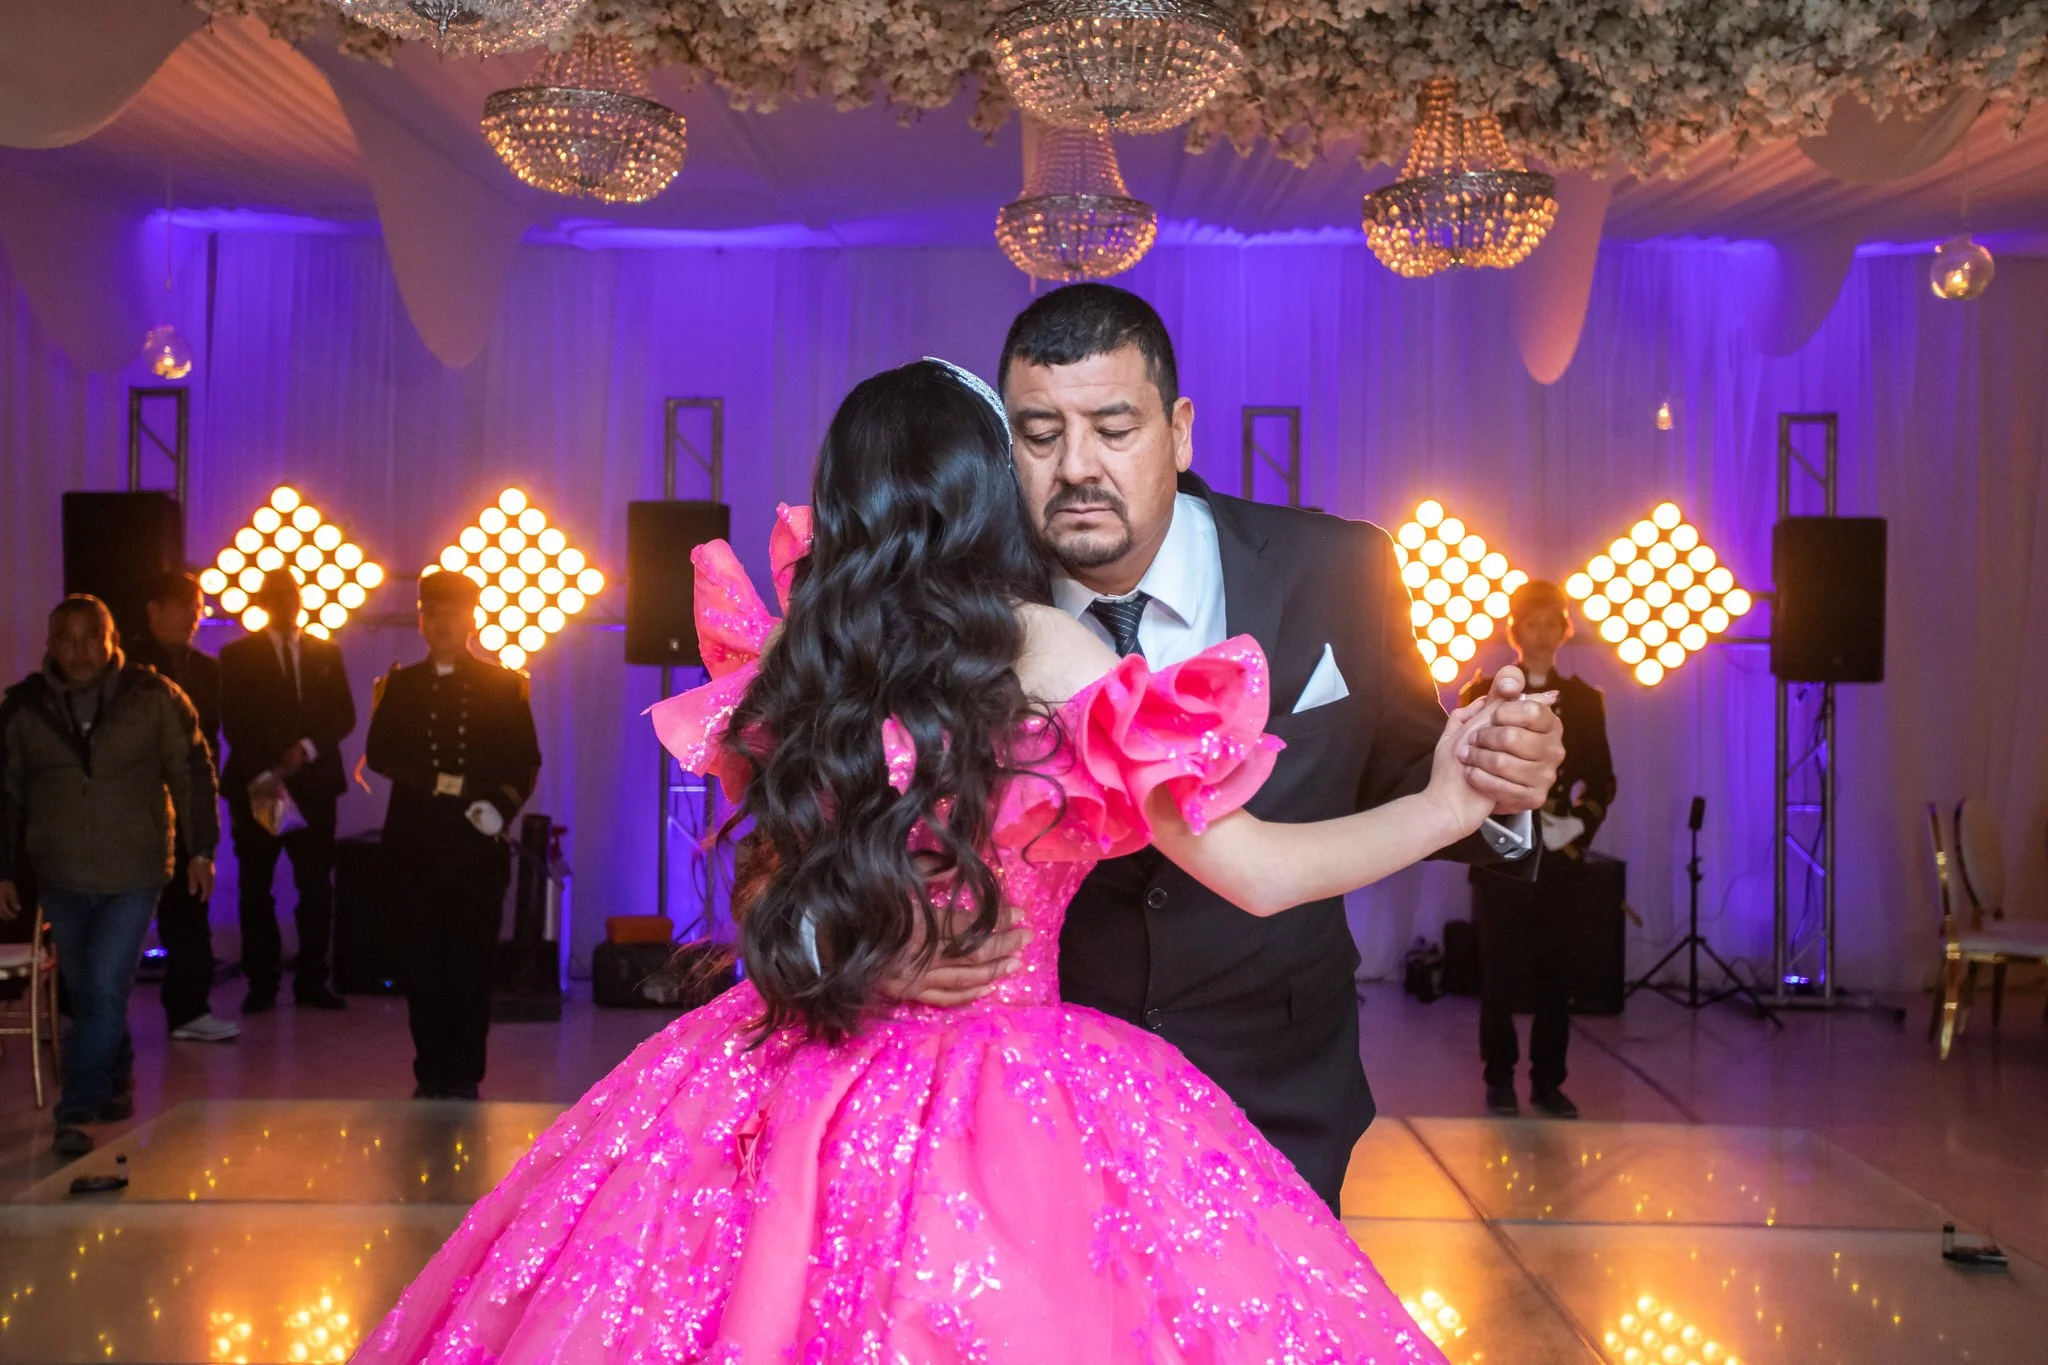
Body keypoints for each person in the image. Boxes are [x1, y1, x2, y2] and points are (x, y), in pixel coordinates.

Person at [359, 360, 1519, 1361]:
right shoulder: (1050, 651)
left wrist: (855, 954)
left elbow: (768, 889)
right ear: (986, 495)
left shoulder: (805, 655)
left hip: (797, 1073)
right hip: (1020, 1089)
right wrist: (1445, 804)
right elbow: (1254, 871)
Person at [882, 283, 1564, 1213]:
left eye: (1114, 429)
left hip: (1276, 1086)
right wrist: (884, 951)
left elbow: (1406, 772)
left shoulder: (1339, 569)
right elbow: (861, 828)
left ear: (1179, 432)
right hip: (1039, 1102)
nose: (1077, 467)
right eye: (1040, 435)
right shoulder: (970, 604)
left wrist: (1499, 778)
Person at [0, 595, 217, 1157]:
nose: (79, 651)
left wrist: (201, 850)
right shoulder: (25, 709)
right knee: (90, 988)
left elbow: (192, 769)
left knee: (100, 986)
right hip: (60, 872)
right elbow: (6, 793)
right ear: (50, 645)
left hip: (134, 870)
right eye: (66, 639)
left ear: (112, 640)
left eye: (90, 637)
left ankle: (77, 1108)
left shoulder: (154, 697)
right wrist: (4, 870)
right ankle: (116, 1075)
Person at [364, 569, 541, 1100]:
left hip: (474, 845)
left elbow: (525, 760)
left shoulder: (502, 684)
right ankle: (429, 1068)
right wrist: (440, 781)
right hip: (415, 843)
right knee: (421, 961)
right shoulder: (401, 685)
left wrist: (501, 808)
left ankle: (465, 1070)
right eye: (433, 614)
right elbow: (379, 753)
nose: (442, 624)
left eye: (453, 614)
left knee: (470, 959)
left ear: (471, 621)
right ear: (421, 621)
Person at [1461, 579, 1617, 1119]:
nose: (1543, 633)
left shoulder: (1585, 701)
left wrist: (1577, 826)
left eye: (1553, 623)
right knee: (1498, 972)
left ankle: (1549, 1082)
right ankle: (1498, 1078)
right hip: (1501, 853)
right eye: (1533, 623)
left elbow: (1602, 779)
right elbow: (1465, 765)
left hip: (1558, 859)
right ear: (1516, 630)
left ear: (1565, 630)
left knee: (1558, 974)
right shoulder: (1487, 691)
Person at [219, 568, 356, 1013]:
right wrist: (274, 763)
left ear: (301, 601)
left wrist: (306, 748)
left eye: (291, 596)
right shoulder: (238, 655)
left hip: (314, 786)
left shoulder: (325, 653)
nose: (285, 604)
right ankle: (262, 982)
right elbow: (234, 721)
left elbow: (343, 714)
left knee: (315, 886)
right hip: (262, 783)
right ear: (262, 603)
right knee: (257, 886)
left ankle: (312, 978)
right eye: (276, 597)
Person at [127, 571, 239, 1043]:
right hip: (134, 803)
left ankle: (190, 1008)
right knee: (119, 907)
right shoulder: (127, 665)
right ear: (155, 609)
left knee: (190, 903)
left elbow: (208, 742)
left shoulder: (207, 669)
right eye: (184, 606)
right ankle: (84, 1009)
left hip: (187, 798)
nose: (194, 616)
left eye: (197, 607)